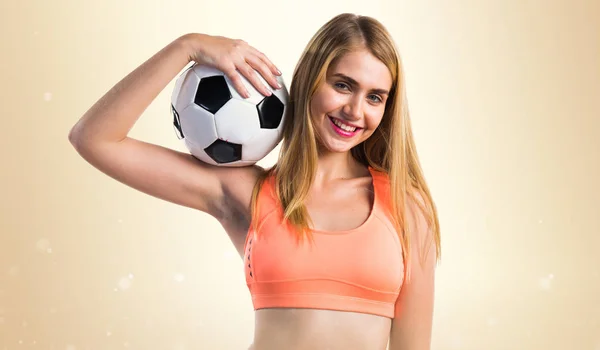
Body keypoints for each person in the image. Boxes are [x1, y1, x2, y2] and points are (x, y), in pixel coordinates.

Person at [68, 12, 441, 350]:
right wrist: (187, 45)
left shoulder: (406, 207)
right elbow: (95, 139)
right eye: (343, 85)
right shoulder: (249, 193)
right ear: (311, 82)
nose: (355, 111)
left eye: (375, 97)